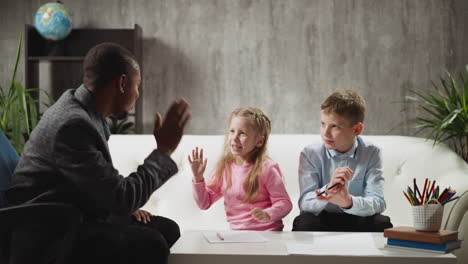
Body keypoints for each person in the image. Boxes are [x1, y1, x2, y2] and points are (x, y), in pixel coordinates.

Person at [6, 42, 190, 264]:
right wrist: (164, 149)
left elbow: (98, 186)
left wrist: (119, 206)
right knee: (152, 243)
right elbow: (121, 198)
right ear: (122, 83)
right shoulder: (73, 124)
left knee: (168, 229)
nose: (138, 93)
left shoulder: (83, 111)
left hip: (73, 212)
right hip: (48, 232)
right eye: (137, 85)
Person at [292, 90, 393, 232]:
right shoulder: (310, 153)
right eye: (322, 124)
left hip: (357, 215)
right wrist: (329, 189)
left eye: (335, 126)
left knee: (382, 223)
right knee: (302, 222)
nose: (325, 133)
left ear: (357, 129)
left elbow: (378, 202)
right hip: (323, 218)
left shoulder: (372, 152)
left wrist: (348, 202)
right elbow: (305, 203)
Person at [188, 107, 292, 231]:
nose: (234, 137)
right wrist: (198, 178)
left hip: (268, 233)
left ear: (259, 141)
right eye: (232, 131)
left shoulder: (267, 168)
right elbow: (204, 203)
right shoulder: (224, 168)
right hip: (237, 237)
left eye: (242, 133)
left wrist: (268, 214)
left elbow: (285, 203)